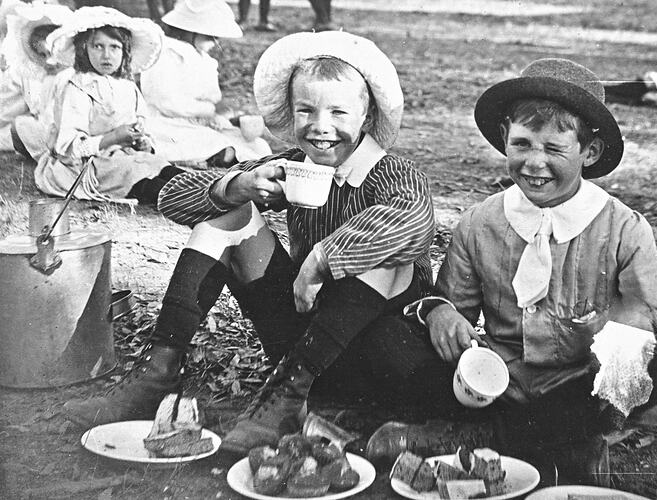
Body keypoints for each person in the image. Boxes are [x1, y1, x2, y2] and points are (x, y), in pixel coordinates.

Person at [61, 30, 437, 456]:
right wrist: (241, 185)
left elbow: (414, 221)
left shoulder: (395, 174)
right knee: (229, 215)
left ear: (366, 118)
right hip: (300, 345)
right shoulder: (295, 165)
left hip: (382, 354)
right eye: (306, 111)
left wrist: (323, 258)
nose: (321, 126)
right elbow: (171, 196)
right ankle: (159, 373)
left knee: (389, 255)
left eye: (339, 112)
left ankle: (295, 397)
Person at [364, 59, 657, 486]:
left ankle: (480, 437)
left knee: (639, 369)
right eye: (522, 144)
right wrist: (440, 313)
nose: (534, 163)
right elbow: (452, 309)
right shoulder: (480, 223)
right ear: (504, 139)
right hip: (502, 381)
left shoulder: (623, 229)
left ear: (589, 153)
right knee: (390, 337)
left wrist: (641, 328)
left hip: (582, 387)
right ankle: (561, 446)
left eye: (555, 149)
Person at [33, 6, 185, 205]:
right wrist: (113, 137)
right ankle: (190, 199)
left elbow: (139, 126)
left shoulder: (127, 87)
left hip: (123, 156)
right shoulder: (79, 87)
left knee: (160, 165)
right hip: (88, 165)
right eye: (98, 46)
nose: (106, 55)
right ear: (83, 48)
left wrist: (142, 142)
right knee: (139, 177)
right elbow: (71, 148)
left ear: (125, 51)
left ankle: (211, 189)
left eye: (114, 47)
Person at [140, 0, 272, 168]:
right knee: (205, 141)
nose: (214, 42)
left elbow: (212, 97)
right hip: (168, 122)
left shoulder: (205, 60)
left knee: (259, 146)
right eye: (210, 36)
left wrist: (224, 115)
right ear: (190, 30)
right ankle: (212, 157)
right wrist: (209, 111)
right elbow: (166, 102)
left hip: (199, 122)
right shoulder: (165, 54)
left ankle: (222, 155)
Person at [0, 1, 71, 159]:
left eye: (53, 54)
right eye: (43, 55)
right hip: (47, 130)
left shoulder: (73, 74)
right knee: (19, 126)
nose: (49, 62)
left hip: (74, 131)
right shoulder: (37, 76)